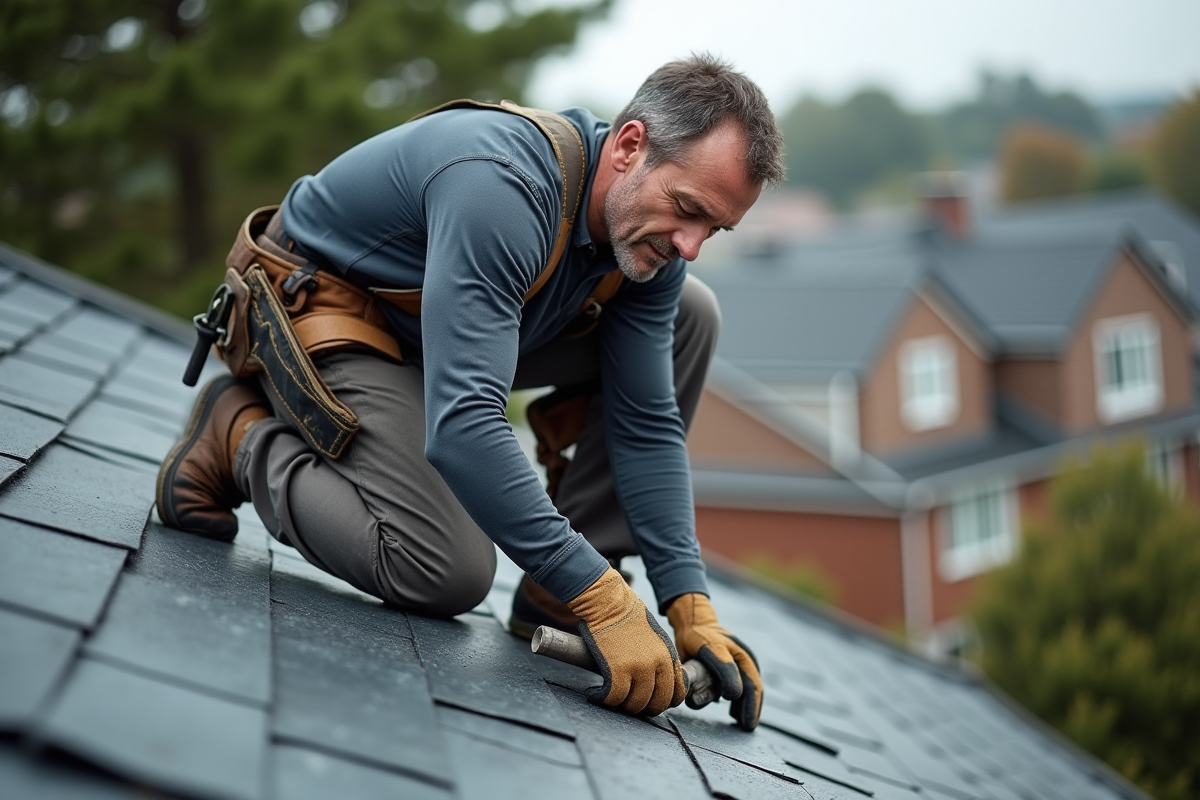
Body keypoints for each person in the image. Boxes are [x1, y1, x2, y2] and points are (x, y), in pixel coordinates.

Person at [157, 54, 785, 730]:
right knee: (441, 569)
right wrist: (606, 602)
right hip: (327, 308)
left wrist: (688, 603)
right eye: (688, 210)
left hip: (445, 332)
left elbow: (646, 422)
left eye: (714, 228)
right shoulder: (502, 187)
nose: (691, 244)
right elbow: (465, 425)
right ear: (630, 146)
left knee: (694, 311)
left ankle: (559, 588)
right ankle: (237, 436)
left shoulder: (649, 239)